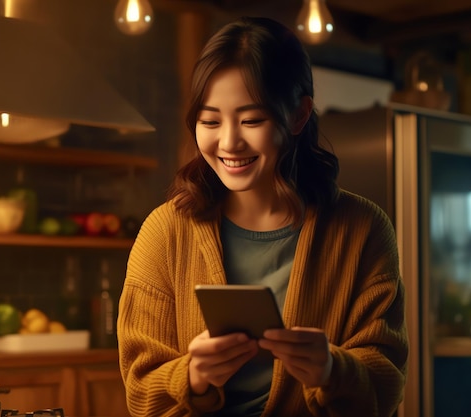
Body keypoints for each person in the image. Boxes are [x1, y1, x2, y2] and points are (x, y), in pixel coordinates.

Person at [117, 16, 408, 417]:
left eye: (252, 120)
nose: (229, 141)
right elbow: (140, 391)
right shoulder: (164, 232)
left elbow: (387, 383)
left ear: (298, 116)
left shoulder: (364, 229)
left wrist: (330, 369)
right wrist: (192, 376)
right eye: (210, 120)